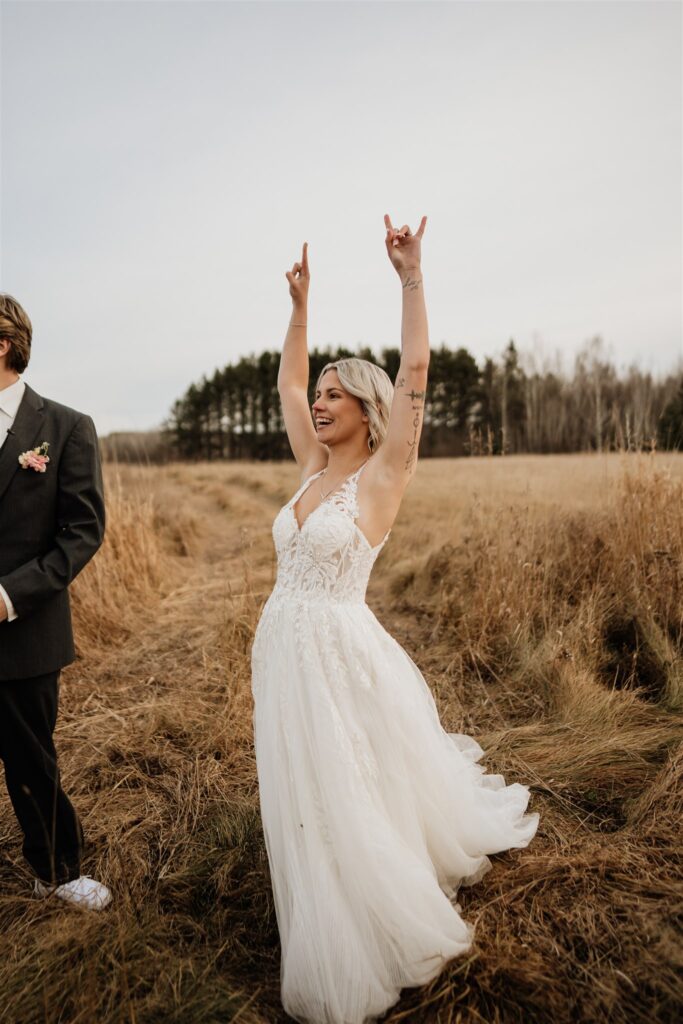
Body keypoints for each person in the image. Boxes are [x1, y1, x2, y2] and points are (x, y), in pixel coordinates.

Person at [250, 215, 539, 1024]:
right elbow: (284, 383)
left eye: (334, 394)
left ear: (369, 410)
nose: (318, 401)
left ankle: (364, 912)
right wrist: (299, 307)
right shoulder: (311, 466)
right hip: (280, 647)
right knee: (303, 780)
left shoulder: (382, 475)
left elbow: (415, 366)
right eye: (320, 393)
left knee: (348, 778)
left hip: (339, 646)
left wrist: (409, 276)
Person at [0, 293, 111, 910]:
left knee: (29, 759)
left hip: (23, 629)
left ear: (3, 345)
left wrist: (8, 597)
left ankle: (57, 869)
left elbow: (82, 531)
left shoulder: (66, 427)